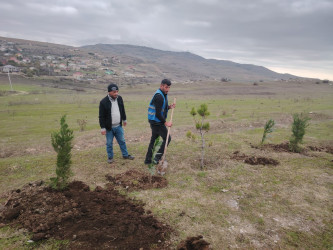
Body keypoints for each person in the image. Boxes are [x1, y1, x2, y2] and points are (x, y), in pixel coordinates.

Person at [99, 83, 134, 163]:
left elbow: (122, 109)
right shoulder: (103, 102)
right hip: (109, 128)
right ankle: (110, 158)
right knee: (109, 143)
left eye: (117, 91)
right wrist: (102, 128)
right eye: (114, 92)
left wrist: (124, 119)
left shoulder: (119, 98)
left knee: (122, 141)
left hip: (118, 126)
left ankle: (125, 155)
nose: (116, 93)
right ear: (109, 92)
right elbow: (101, 116)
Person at [144, 79, 175, 165]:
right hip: (156, 122)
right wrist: (166, 123)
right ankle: (157, 158)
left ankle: (148, 160)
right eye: (166, 87)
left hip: (154, 121)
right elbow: (157, 113)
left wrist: (169, 107)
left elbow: (161, 108)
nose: (167, 89)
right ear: (161, 86)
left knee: (154, 140)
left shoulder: (163, 94)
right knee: (168, 138)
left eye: (169, 87)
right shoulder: (159, 96)